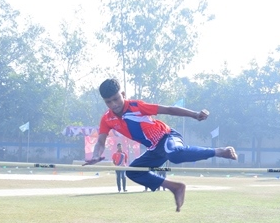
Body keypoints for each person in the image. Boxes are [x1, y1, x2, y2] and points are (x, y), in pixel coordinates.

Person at [84, 78, 237, 211]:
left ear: (123, 94)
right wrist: (96, 155)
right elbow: (100, 141)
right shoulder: (107, 119)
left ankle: (219, 151)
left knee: (174, 154)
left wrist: (195, 114)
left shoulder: (137, 106)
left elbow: (169, 109)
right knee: (132, 172)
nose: (114, 104)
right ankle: (175, 187)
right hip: (154, 149)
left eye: (116, 99)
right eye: (108, 102)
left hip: (168, 137)